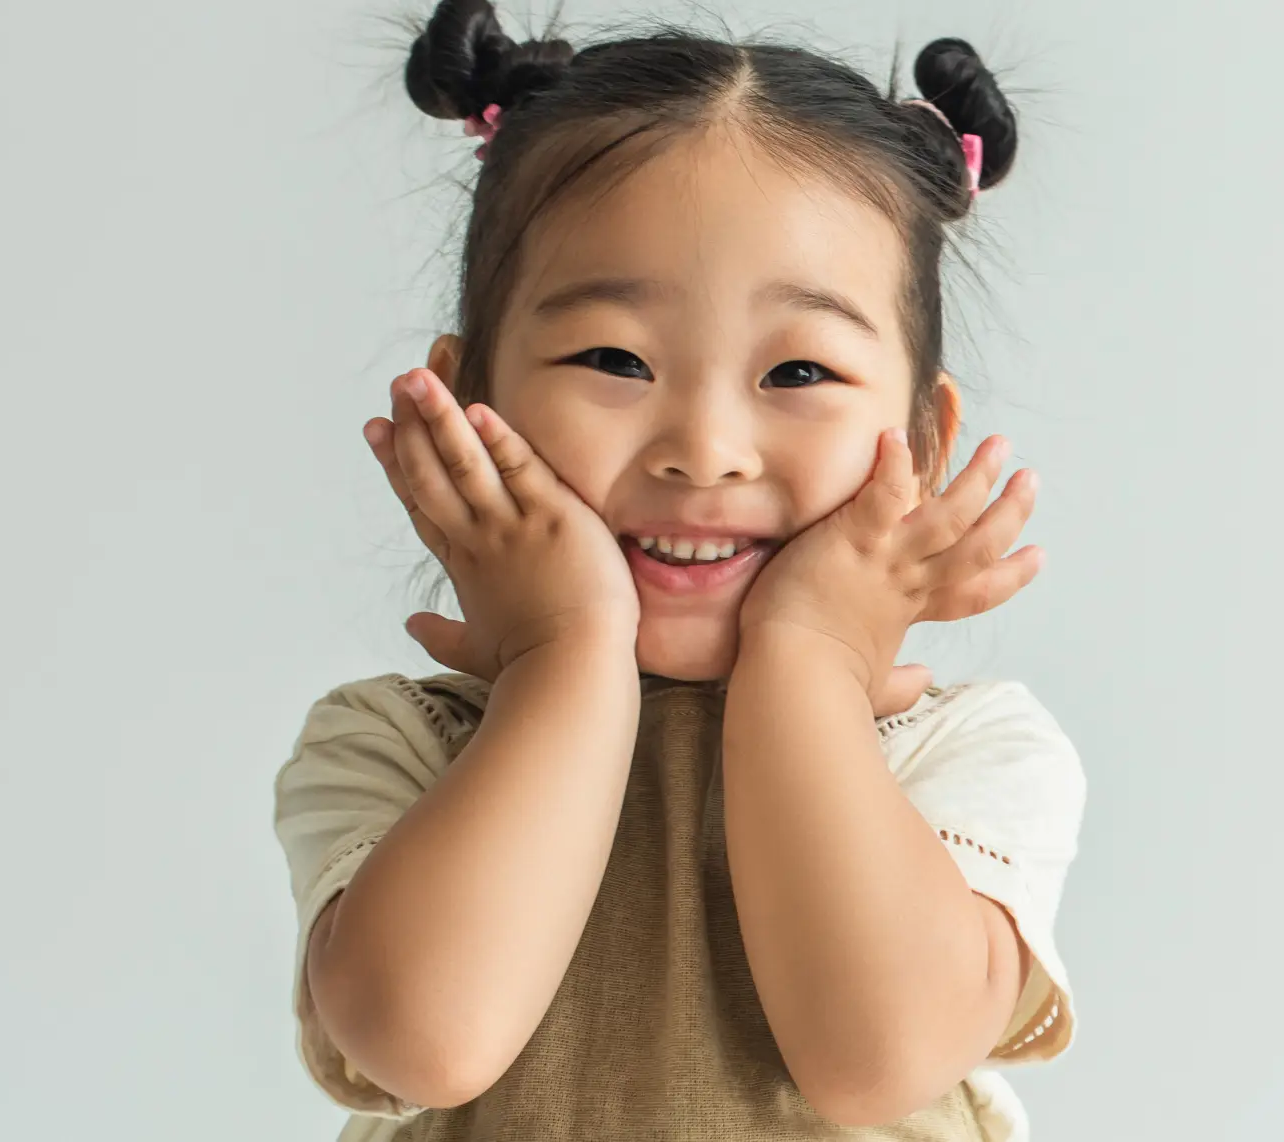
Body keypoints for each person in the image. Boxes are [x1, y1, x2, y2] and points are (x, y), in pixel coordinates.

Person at [268, 4, 1081, 1138]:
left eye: (798, 368)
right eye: (613, 358)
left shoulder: (968, 758)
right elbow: (429, 1037)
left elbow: (874, 1058)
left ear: (923, 444)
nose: (704, 449)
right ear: (462, 408)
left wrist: (811, 657)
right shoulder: (400, 741)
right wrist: (565, 654)